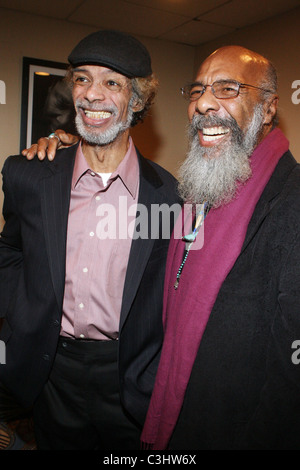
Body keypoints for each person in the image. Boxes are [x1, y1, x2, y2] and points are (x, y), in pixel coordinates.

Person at [0, 29, 181, 450]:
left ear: (136, 100)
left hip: (129, 376)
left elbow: (176, 289)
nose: (92, 95)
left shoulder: (170, 196)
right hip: (50, 370)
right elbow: (8, 250)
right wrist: (24, 307)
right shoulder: (30, 175)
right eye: (82, 78)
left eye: (111, 83)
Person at [139, 45, 300, 450]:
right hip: (177, 413)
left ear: (267, 109)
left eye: (227, 89)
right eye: (196, 91)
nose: (204, 103)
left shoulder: (292, 201)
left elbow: (289, 381)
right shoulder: (200, 189)